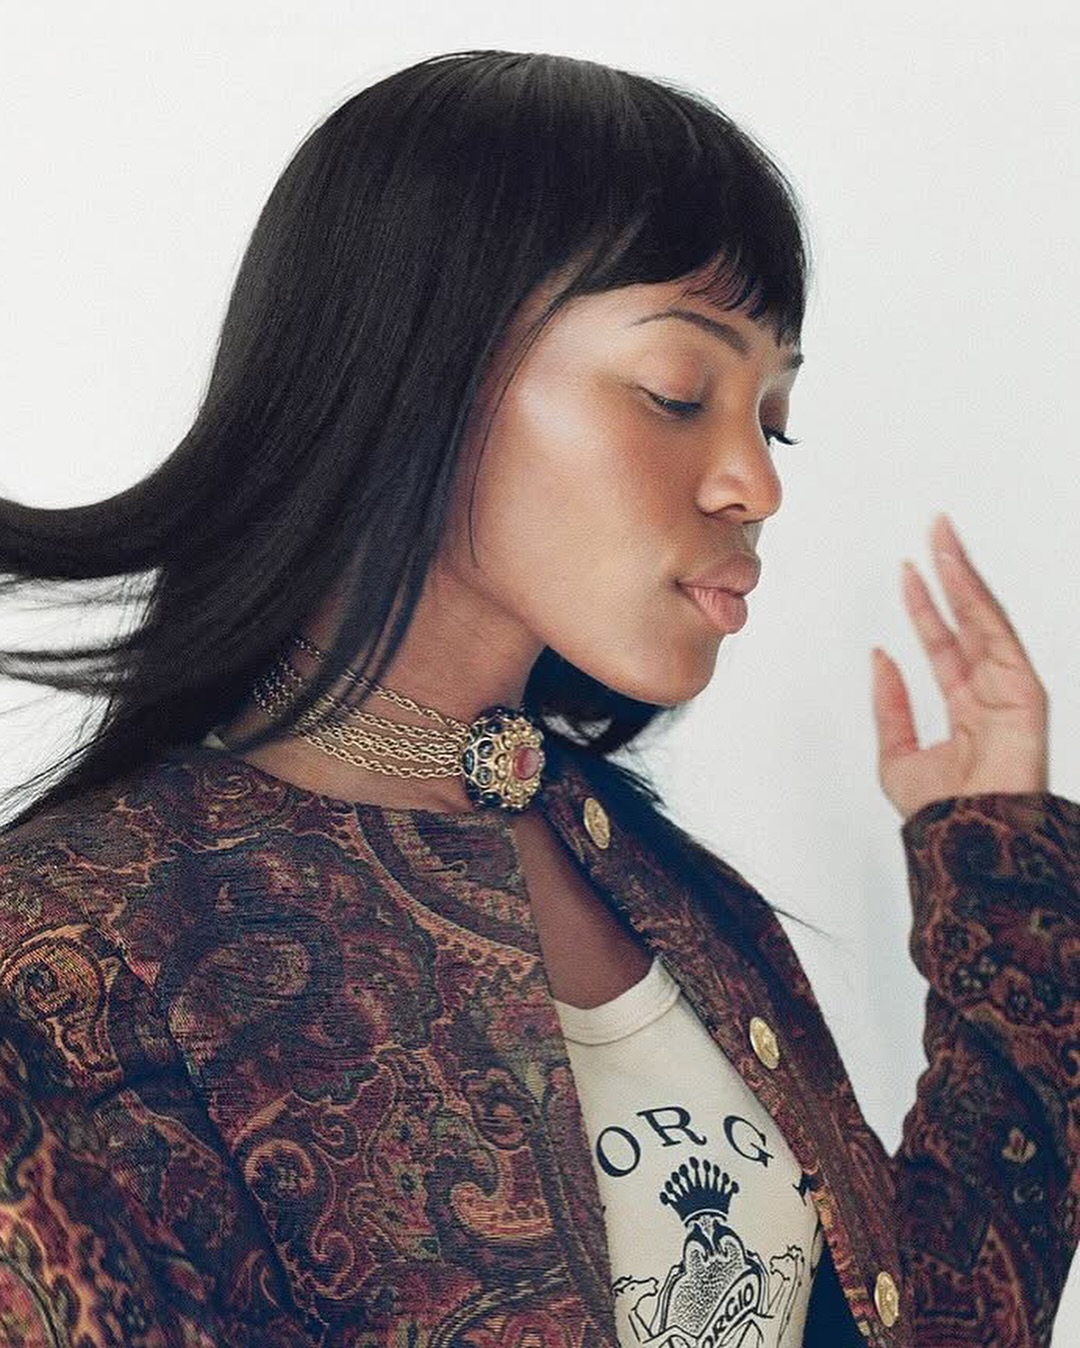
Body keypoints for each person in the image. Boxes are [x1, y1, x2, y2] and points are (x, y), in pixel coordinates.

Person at [0, 48, 1075, 1348]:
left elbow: (940, 1322)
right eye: (679, 392)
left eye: (772, 417)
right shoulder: (78, 962)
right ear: (423, 369)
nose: (756, 482)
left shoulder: (670, 891)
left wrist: (1001, 862)